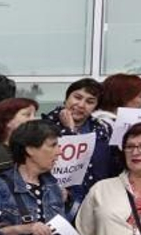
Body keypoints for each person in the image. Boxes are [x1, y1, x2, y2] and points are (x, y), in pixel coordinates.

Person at [44, 78, 113, 214]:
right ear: (66, 99)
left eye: (90, 102)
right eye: (77, 97)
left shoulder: (102, 129)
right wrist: (69, 130)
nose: (81, 105)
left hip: (94, 202)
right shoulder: (44, 126)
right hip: (57, 202)